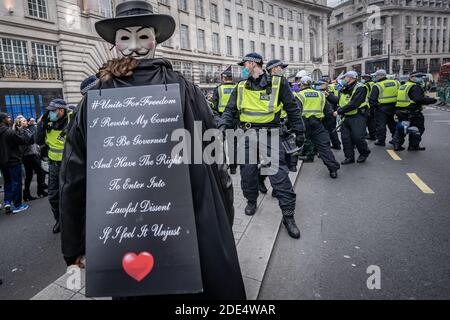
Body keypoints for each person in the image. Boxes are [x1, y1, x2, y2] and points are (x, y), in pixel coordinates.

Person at [59, 0, 245, 299]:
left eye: (143, 35)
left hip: (123, 234)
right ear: (115, 43)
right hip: (194, 233)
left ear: (155, 39)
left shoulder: (94, 97)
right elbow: (215, 158)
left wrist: (73, 247)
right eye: (126, 36)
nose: (135, 43)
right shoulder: (186, 89)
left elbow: (72, 180)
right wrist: (224, 218)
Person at [220, 52, 305, 239]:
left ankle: (288, 216)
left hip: (270, 134)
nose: (243, 69)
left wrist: (300, 131)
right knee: (248, 173)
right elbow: (230, 110)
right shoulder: (240, 86)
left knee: (278, 175)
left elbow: (292, 108)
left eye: (244, 65)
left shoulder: (278, 83)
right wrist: (222, 126)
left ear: (252, 64)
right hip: (246, 135)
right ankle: (251, 201)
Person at [35, 99, 72, 234]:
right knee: (53, 196)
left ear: (61, 110)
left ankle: (75, 221)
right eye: (49, 110)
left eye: (53, 110)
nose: (50, 113)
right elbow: (38, 141)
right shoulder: (47, 122)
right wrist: (41, 124)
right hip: (54, 166)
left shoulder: (72, 118)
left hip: (71, 165)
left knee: (72, 195)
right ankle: (59, 220)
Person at [296, 77, 340, 178]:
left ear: (302, 85)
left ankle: (293, 165)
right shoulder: (320, 94)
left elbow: (296, 112)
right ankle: (333, 169)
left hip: (304, 124)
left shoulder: (299, 95)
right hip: (318, 124)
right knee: (324, 148)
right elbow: (328, 111)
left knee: (296, 145)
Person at [327, 71, 371, 164]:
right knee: (346, 139)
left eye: (345, 77)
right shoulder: (345, 88)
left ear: (351, 78)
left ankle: (364, 153)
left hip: (357, 116)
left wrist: (338, 111)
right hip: (346, 117)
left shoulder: (361, 88)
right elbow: (341, 101)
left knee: (358, 137)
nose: (344, 79)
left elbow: (354, 104)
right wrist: (329, 96)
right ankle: (349, 157)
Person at [392, 71, 437, 151]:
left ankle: (397, 144)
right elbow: (418, 99)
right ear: (412, 77)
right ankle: (413, 145)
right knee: (417, 128)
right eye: (419, 77)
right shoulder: (415, 87)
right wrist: (431, 100)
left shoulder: (404, 86)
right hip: (412, 112)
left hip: (401, 111)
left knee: (402, 128)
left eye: (421, 77)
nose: (421, 78)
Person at [0, 113, 33, 214]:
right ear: (3, 119)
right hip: (13, 161)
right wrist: (21, 130)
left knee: (8, 182)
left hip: (2, 162)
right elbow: (23, 140)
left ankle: (7, 202)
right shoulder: (9, 132)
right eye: (8, 117)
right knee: (16, 182)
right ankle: (18, 205)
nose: (9, 119)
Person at [211, 66, 238, 174]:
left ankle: (224, 165)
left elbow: (214, 106)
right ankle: (233, 167)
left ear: (223, 78)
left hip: (222, 119)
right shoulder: (238, 88)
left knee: (220, 143)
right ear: (231, 78)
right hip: (234, 119)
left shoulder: (218, 89)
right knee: (232, 143)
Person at [14, 116, 47, 201]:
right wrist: (36, 132)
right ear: (19, 123)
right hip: (28, 156)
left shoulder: (26, 130)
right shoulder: (20, 132)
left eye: (25, 120)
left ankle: (27, 194)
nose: (26, 122)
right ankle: (40, 191)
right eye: (24, 121)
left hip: (31, 155)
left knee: (29, 176)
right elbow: (29, 141)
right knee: (40, 172)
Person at [369, 69, 399, 146]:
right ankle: (396, 139)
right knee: (393, 124)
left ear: (380, 76)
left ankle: (381, 141)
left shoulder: (377, 85)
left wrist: (374, 108)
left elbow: (372, 100)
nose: (375, 77)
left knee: (381, 125)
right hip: (394, 107)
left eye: (376, 76)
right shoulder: (395, 82)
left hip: (381, 108)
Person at [319, 78, 342, 150]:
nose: (319, 85)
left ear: (326, 84)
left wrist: (328, 95)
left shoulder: (332, 90)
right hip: (322, 113)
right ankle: (334, 145)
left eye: (321, 84)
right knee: (328, 131)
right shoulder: (318, 91)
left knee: (330, 131)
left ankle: (333, 145)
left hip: (331, 113)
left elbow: (337, 100)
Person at [361, 74, 376, 141]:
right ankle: (373, 135)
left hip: (368, 104)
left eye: (365, 78)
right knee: (372, 121)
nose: (364, 79)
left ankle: (366, 135)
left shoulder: (366, 85)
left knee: (365, 121)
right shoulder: (374, 83)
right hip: (374, 104)